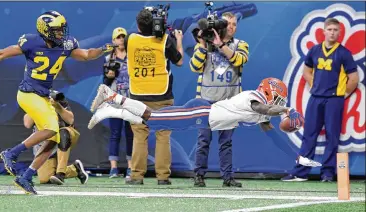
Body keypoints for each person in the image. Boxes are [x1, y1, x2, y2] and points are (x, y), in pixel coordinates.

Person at [0, 10, 114, 194]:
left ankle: (26, 176)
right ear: (45, 30)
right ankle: (11, 153)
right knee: (52, 129)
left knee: (55, 138)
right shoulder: (31, 42)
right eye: (57, 30)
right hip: (28, 93)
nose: (62, 33)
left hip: (43, 94)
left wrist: (104, 48)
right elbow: (1, 55)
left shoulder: (66, 44)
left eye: (62, 29)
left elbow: (86, 55)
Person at [88, 78, 322, 170]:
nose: (280, 103)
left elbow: (273, 136)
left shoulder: (264, 112)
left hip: (204, 117)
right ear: (269, 92)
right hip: (202, 111)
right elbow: (265, 108)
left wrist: (297, 156)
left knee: (155, 124)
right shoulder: (257, 98)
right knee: (154, 117)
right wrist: (287, 109)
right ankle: (112, 96)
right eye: (278, 98)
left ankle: (111, 110)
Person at [99, 9, 183, 185]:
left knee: (139, 136)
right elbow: (180, 61)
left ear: (137, 25)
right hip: (162, 94)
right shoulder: (165, 40)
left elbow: (139, 35)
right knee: (163, 136)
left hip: (138, 95)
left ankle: (137, 175)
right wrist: (178, 40)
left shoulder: (130, 39)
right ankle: (163, 177)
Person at [281, 18, 359, 182]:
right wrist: (314, 85)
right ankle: (301, 172)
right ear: (323, 31)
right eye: (329, 29)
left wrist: (342, 95)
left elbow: (353, 78)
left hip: (334, 101)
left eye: (335, 30)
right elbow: (306, 70)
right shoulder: (315, 50)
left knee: (332, 137)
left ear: (339, 32)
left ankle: (327, 173)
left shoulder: (344, 53)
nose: (332, 32)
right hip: (315, 99)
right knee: (309, 135)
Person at [190, 12, 249, 187]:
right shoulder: (204, 45)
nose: (231, 27)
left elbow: (240, 60)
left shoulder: (241, 44)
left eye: (234, 24)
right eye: (228, 23)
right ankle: (199, 175)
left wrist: (221, 45)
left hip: (229, 103)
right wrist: (202, 45)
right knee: (203, 141)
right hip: (206, 101)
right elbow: (194, 67)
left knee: (226, 142)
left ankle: (227, 178)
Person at [24, 93, 88, 185]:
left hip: (64, 135)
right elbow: (27, 124)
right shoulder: (34, 100)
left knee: (63, 133)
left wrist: (58, 107)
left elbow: (70, 120)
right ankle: (75, 169)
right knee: (45, 179)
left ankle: (60, 174)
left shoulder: (56, 96)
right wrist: (38, 105)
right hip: (45, 143)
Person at [102, 27, 133, 178]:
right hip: (115, 100)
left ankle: (131, 167)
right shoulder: (108, 59)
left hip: (130, 99)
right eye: (118, 37)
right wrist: (109, 75)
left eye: (123, 37)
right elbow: (105, 83)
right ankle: (113, 168)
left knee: (130, 133)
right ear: (113, 41)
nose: (121, 39)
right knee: (115, 133)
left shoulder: (133, 57)